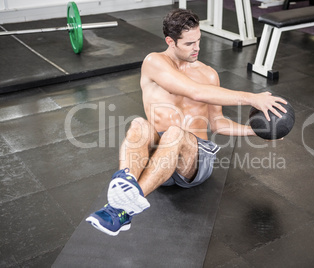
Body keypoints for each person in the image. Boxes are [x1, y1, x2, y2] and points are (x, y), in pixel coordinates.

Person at [86, 8, 287, 236]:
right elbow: (195, 92)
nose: (197, 48)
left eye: (199, 41)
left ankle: (119, 208)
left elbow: (218, 123)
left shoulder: (209, 74)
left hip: (194, 159)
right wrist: (252, 97)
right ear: (170, 41)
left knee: (174, 133)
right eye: (190, 43)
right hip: (157, 158)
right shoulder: (154, 62)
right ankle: (125, 193)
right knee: (139, 125)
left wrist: (256, 131)